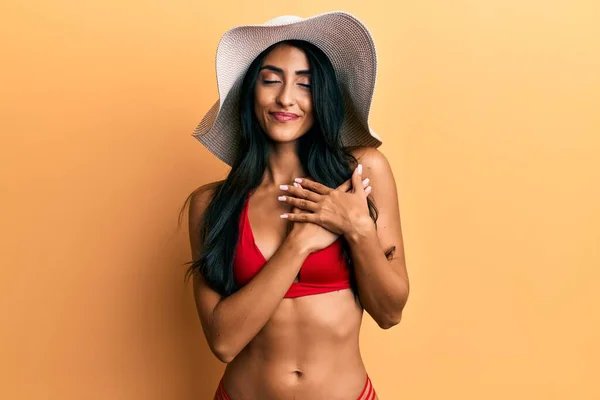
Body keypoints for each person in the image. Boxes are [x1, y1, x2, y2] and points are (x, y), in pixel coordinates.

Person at [181, 11, 409, 400]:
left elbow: (390, 313)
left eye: (305, 85)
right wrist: (300, 243)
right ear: (250, 92)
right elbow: (223, 343)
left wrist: (358, 228)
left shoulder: (362, 174)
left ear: (323, 98)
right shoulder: (211, 205)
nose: (285, 97)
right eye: (270, 80)